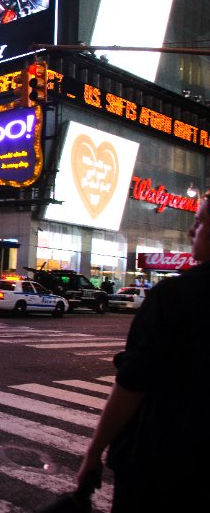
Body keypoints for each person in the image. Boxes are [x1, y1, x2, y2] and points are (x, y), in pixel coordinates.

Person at [76, 191, 210, 511]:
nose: (191, 231)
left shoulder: (175, 295)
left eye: (200, 222)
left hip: (163, 462)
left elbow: (132, 385)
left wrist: (94, 453)